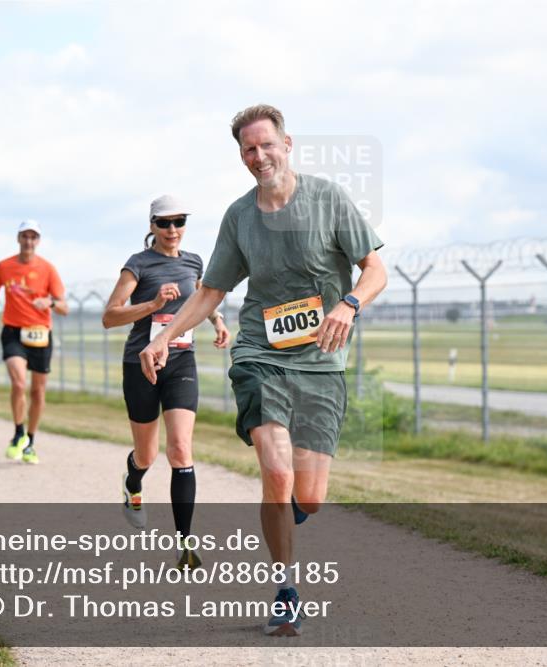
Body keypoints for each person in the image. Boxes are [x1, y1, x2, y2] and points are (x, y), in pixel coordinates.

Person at [139, 105, 387, 636]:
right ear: (241, 156)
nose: (259, 156)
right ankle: (285, 590)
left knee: (309, 497)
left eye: (266, 145)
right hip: (260, 354)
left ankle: (287, 513)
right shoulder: (239, 217)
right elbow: (211, 291)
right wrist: (163, 336)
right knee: (276, 474)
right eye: (248, 149)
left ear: (286, 144)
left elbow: (375, 269)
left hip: (320, 360)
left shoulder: (328, 199)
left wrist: (348, 305)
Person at [103, 195, 230, 570]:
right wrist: (153, 304)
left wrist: (218, 321)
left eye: (179, 221)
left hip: (181, 361)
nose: (172, 229)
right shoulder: (138, 264)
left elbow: (202, 298)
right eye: (164, 222)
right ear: (152, 226)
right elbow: (110, 317)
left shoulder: (194, 261)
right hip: (140, 364)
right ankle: (133, 483)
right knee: (147, 455)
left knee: (180, 449)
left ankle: (184, 544)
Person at [0, 220, 68, 464]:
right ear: (18, 238)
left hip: (40, 334)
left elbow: (64, 307)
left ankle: (30, 442)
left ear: (38, 241)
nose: (28, 241)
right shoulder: (4, 266)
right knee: (18, 382)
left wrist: (50, 302)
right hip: (13, 332)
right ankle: (18, 433)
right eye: (25, 236)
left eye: (33, 237)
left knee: (38, 391)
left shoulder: (48, 269)